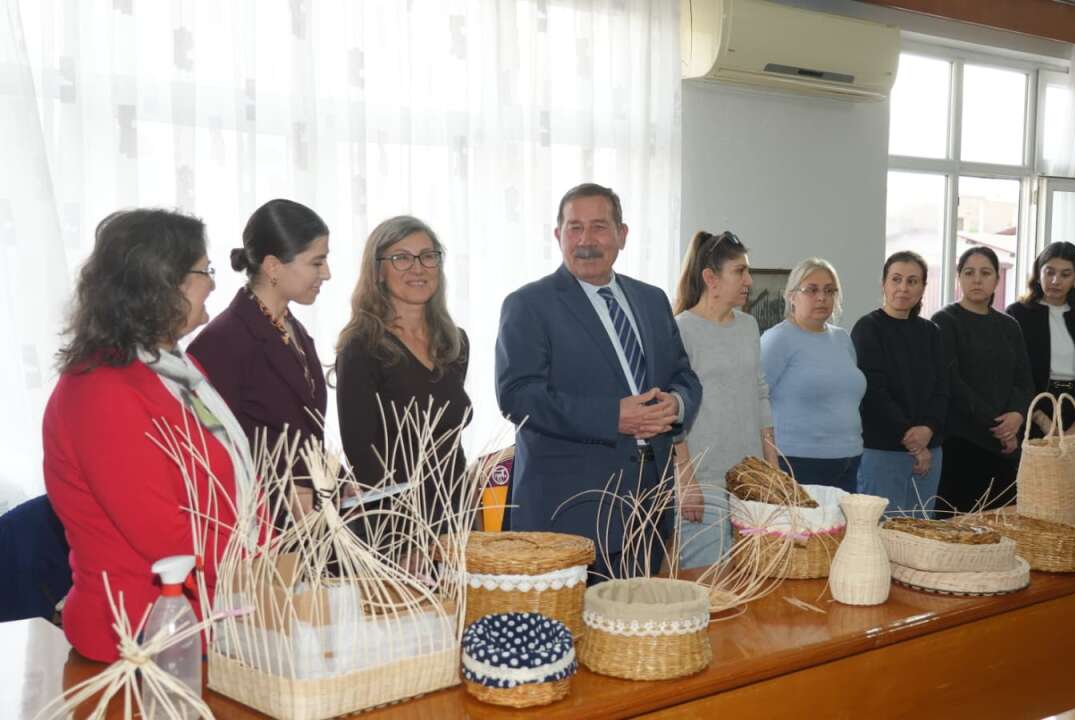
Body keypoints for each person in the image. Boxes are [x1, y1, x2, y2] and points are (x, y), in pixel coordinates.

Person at [43, 209, 251, 662]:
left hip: (208, 617)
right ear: (160, 284)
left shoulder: (176, 366)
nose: (213, 284)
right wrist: (264, 570)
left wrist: (279, 550)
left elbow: (230, 483)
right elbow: (163, 532)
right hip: (141, 636)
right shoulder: (99, 389)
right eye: (203, 271)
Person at [495, 183, 702, 577]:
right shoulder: (527, 305)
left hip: (650, 507)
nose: (586, 241)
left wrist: (677, 404)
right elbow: (518, 397)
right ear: (558, 236)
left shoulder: (652, 299)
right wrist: (613, 417)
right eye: (574, 228)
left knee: (638, 629)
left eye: (599, 227)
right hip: (569, 514)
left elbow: (684, 377)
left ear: (622, 235)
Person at [188, 199, 329, 513]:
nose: (327, 273)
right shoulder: (220, 342)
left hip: (307, 524)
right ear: (273, 266)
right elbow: (214, 452)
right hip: (260, 529)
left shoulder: (294, 330)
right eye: (317, 263)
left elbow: (301, 438)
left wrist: (339, 480)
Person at [336, 216, 471, 511]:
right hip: (396, 524)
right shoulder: (361, 347)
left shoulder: (455, 343)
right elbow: (362, 454)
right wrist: (405, 539)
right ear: (378, 271)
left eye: (427, 256)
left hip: (455, 509)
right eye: (401, 258)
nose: (418, 267)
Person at [671, 230, 775, 569]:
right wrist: (686, 483)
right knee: (709, 586)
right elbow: (673, 413)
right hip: (705, 483)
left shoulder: (747, 326)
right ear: (710, 278)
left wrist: (773, 472)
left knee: (752, 579)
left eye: (748, 270)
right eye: (739, 271)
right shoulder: (681, 329)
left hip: (751, 480)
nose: (748, 279)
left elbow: (760, 396)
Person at [932, 247, 1034, 514]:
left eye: (985, 273)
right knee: (957, 533)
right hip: (962, 443)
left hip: (1006, 445)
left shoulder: (1009, 325)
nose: (977, 280)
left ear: (996, 281)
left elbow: (1023, 380)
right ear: (959, 278)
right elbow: (953, 384)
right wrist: (999, 427)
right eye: (969, 273)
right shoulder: (944, 321)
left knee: (1002, 530)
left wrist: (1016, 416)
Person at [852, 251, 947, 517]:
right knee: (883, 535)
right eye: (896, 279)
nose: (903, 288)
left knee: (921, 536)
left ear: (923, 288)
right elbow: (874, 392)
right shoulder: (868, 328)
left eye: (912, 281)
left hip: (930, 449)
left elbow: (942, 389)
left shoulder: (931, 332)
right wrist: (914, 440)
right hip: (883, 449)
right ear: (883, 283)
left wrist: (928, 430)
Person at [1006, 241, 1075, 461]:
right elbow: (1011, 374)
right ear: (1038, 274)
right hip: (1032, 411)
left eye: (1065, 274)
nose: (1055, 281)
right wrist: (1041, 419)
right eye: (1049, 272)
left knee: (1070, 488)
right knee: (1034, 486)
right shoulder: (1018, 314)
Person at [760, 258, 865, 493]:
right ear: (792, 295)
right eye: (812, 290)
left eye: (829, 290)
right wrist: (770, 461)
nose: (821, 297)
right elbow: (755, 400)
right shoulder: (777, 339)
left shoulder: (842, 339)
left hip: (850, 461)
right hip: (797, 462)